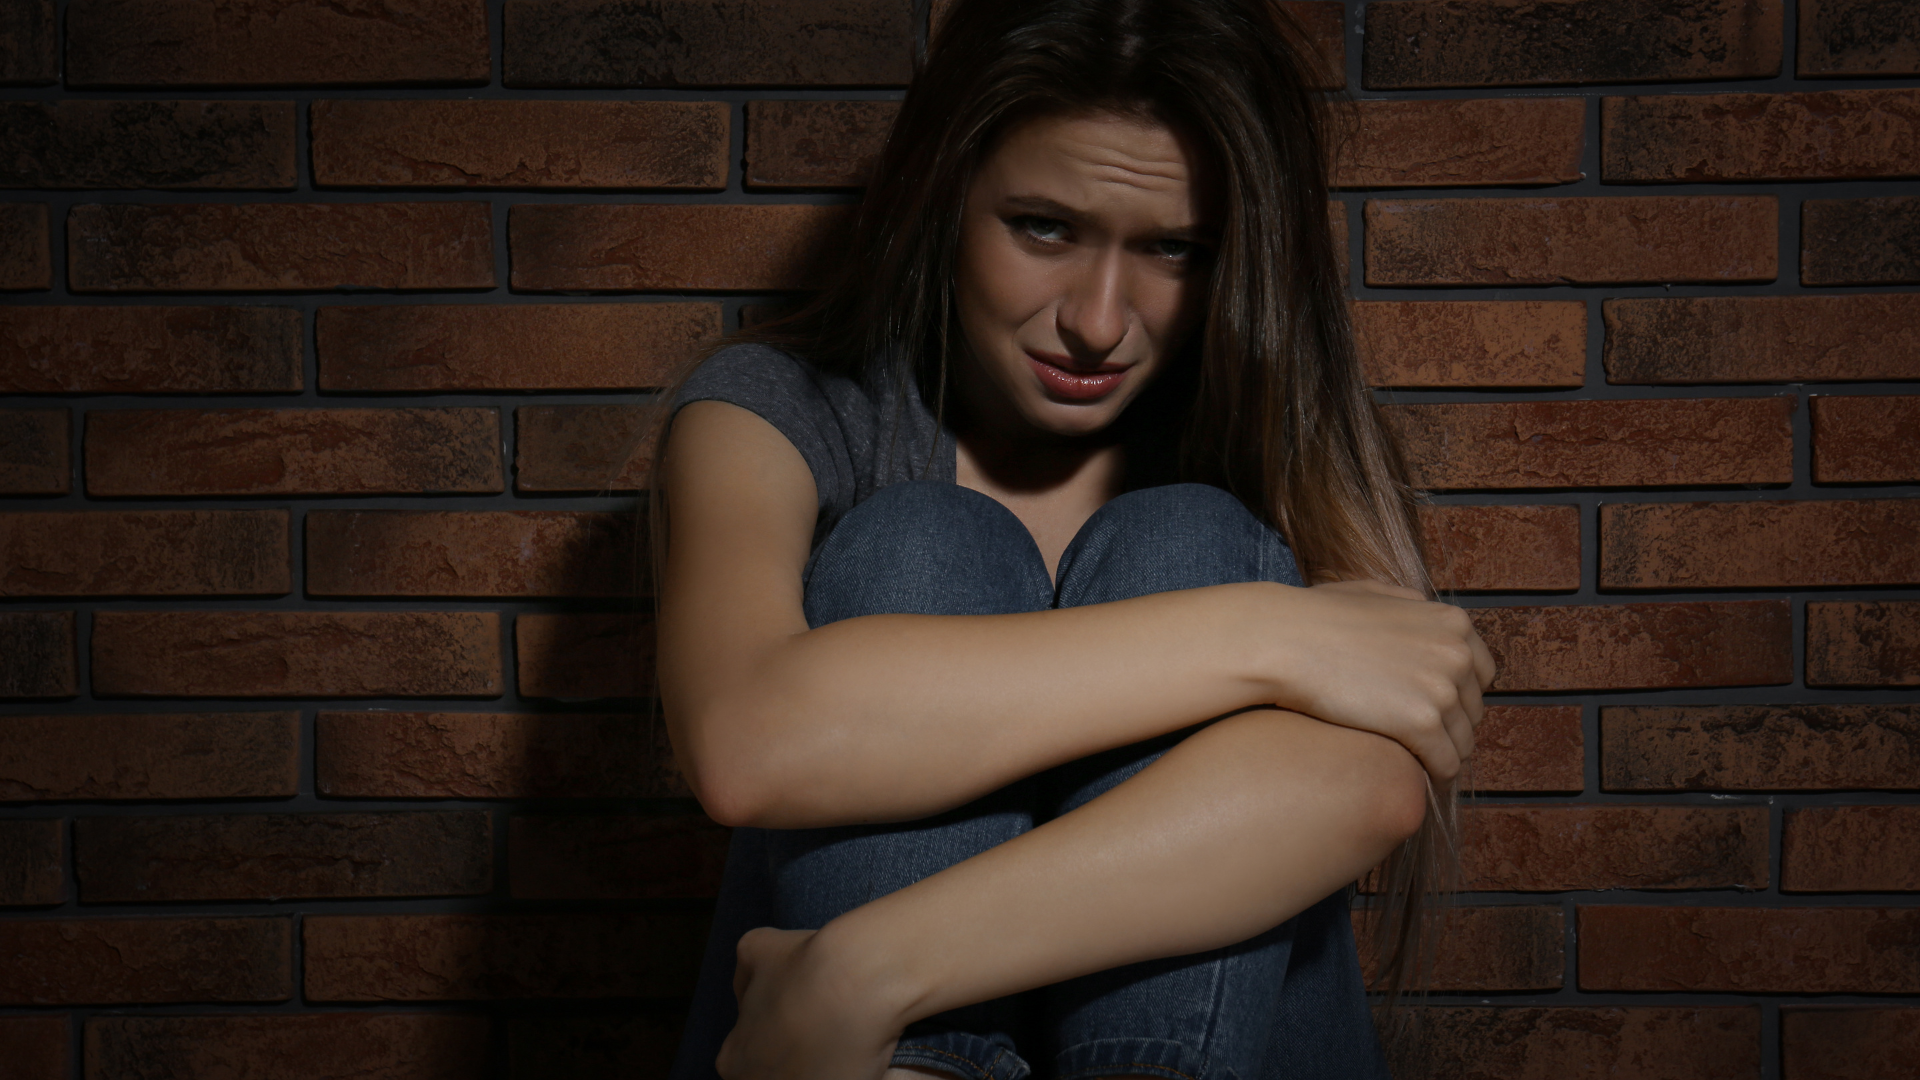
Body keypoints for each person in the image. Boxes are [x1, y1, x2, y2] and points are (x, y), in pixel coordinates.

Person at [654, 1, 1495, 1077]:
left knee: (1187, 530)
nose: (1099, 319)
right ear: (943, 198)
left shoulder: (1273, 446)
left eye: (1173, 249)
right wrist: (1273, 637)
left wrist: (867, 971)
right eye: (1044, 227)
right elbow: (746, 740)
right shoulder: (777, 414)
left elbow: (1368, 789)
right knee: (921, 542)